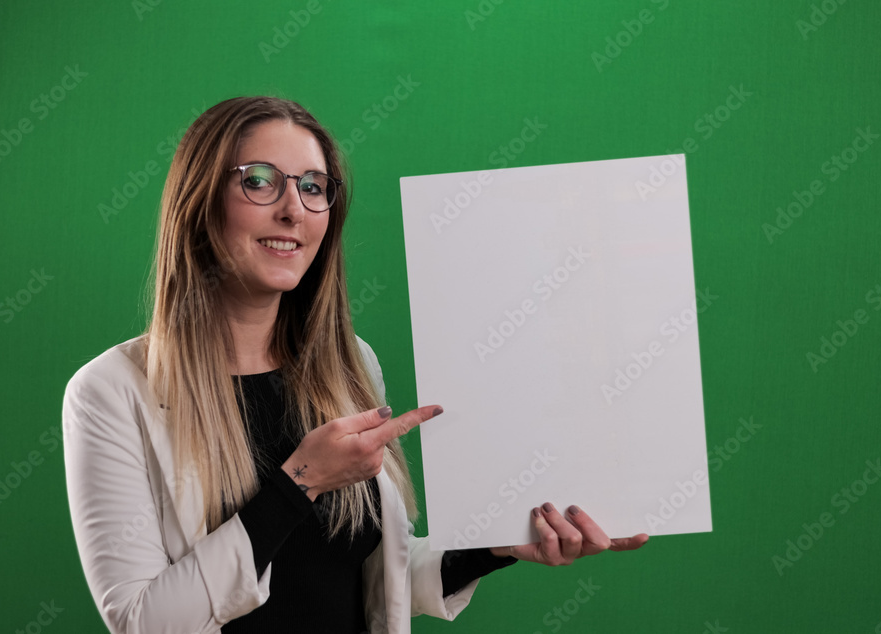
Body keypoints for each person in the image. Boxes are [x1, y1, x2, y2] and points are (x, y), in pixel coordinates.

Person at [62, 96, 648, 634]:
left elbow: (378, 578)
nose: (294, 210)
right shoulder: (112, 392)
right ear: (199, 202)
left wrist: (496, 547)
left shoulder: (349, 364)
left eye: (313, 187)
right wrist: (301, 482)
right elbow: (142, 621)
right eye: (260, 181)